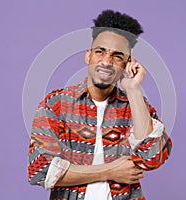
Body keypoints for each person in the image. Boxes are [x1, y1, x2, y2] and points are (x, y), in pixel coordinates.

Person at [28, 10, 172, 200]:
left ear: (128, 63)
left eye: (117, 56)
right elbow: (40, 170)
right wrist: (111, 171)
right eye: (100, 52)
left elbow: (152, 158)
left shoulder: (136, 106)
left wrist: (134, 90)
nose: (106, 61)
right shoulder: (56, 104)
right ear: (88, 56)